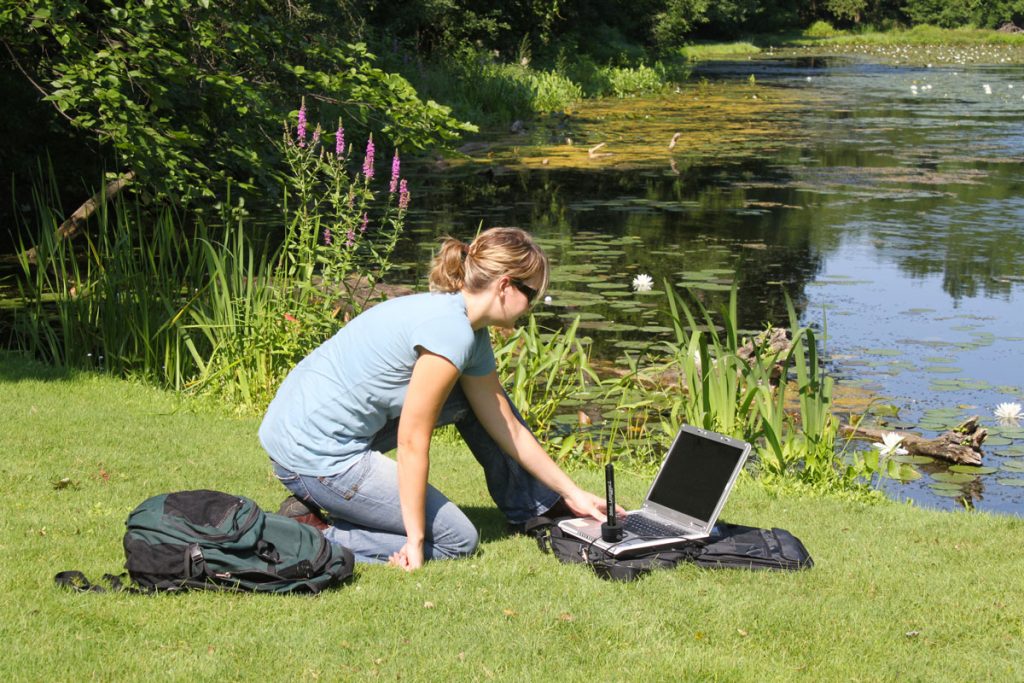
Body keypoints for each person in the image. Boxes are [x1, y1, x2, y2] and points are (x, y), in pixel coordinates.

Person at [259, 227, 620, 571]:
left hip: (304, 430)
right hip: (314, 455)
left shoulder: (465, 327)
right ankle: (306, 532)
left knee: (480, 402)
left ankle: (537, 508)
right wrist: (415, 540)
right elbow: (413, 441)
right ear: (505, 286)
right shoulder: (451, 333)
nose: (533, 304)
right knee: (455, 539)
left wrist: (572, 492)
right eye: (532, 293)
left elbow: (503, 421)